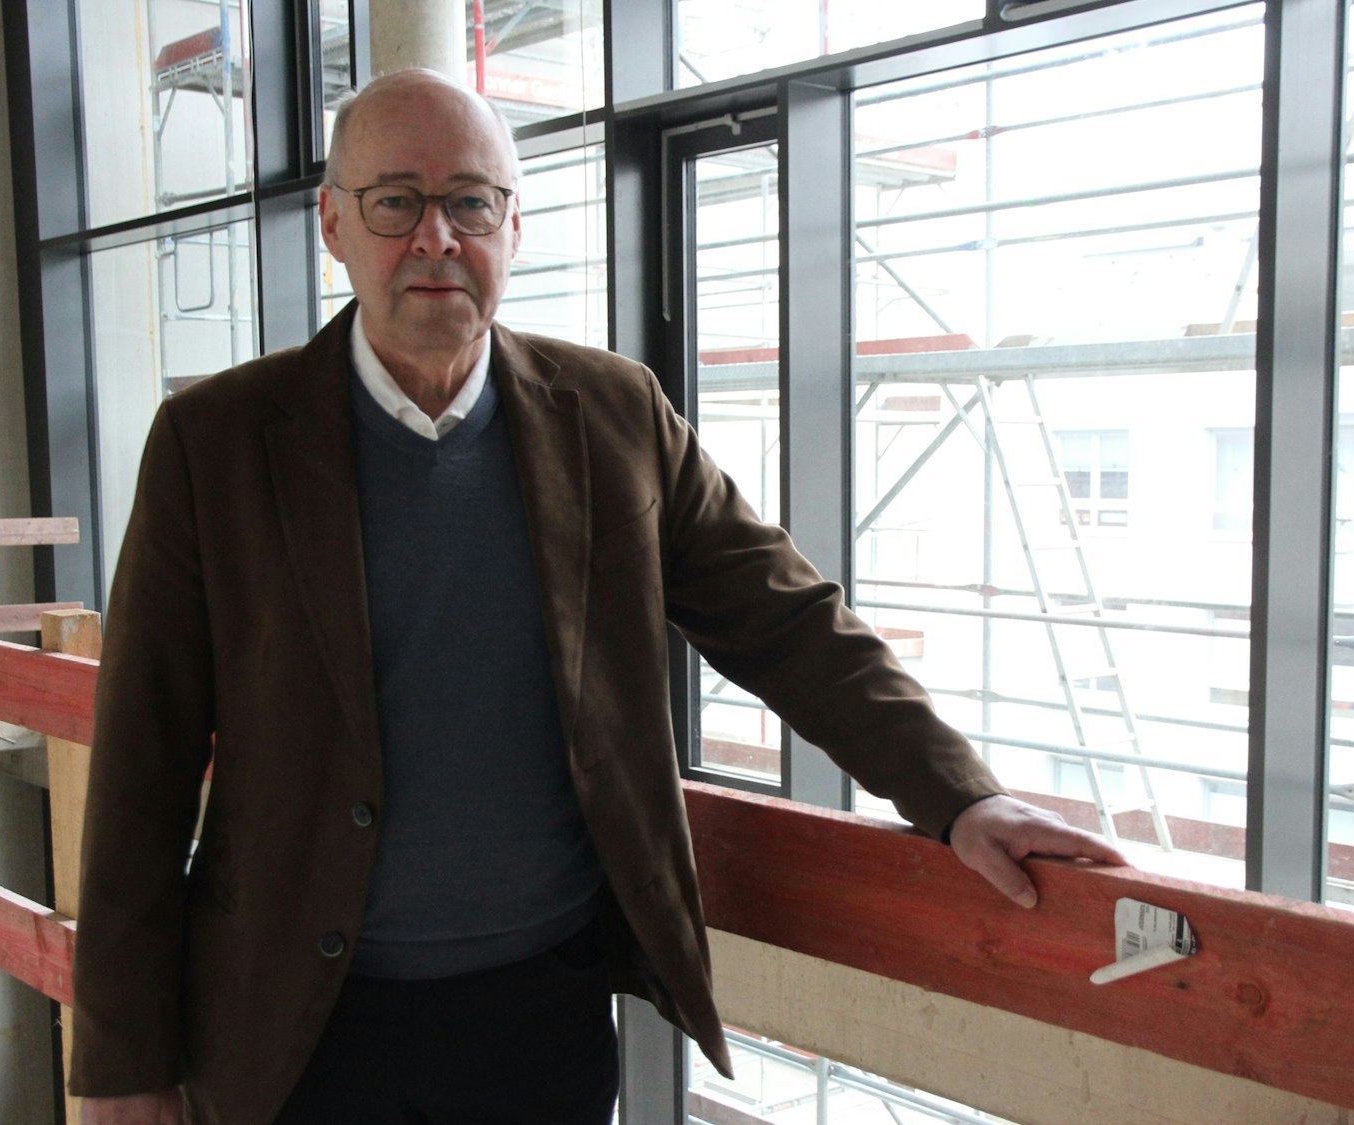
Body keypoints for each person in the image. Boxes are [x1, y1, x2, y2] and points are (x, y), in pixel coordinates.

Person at [71, 68, 1127, 1125]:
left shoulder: (612, 414)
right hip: (297, 1026)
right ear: (332, 225)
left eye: (470, 202)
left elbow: (782, 617)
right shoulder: (216, 442)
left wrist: (956, 793)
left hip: (543, 1015)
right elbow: (142, 762)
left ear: (513, 227)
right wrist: (122, 1060)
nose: (435, 238)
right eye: (395, 202)